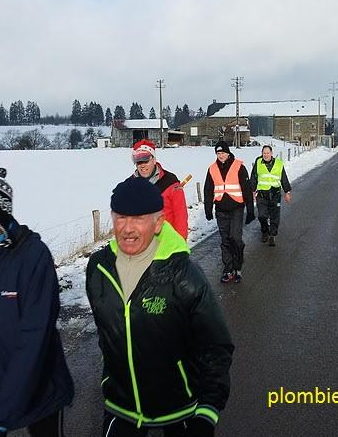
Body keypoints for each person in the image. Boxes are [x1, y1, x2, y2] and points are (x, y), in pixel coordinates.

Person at [86, 177, 233, 436]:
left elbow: (216, 345)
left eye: (139, 218)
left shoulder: (184, 275)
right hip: (121, 407)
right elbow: (106, 334)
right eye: (121, 217)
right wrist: (110, 377)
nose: (127, 229)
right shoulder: (98, 268)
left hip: (180, 408)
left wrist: (207, 411)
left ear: (158, 223)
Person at [0, 168, 74, 436]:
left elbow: (35, 335)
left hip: (38, 380)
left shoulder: (33, 257)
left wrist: (5, 404)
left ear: (0, 216)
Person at [203, 141, 255, 283]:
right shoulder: (212, 169)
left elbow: (246, 189)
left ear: (228, 153)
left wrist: (250, 209)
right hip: (220, 210)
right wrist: (208, 209)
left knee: (235, 239)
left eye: (223, 153)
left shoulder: (239, 167)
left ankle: (237, 267)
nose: (221, 156)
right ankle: (228, 269)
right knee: (225, 240)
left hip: (237, 208)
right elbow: (208, 190)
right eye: (218, 153)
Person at [131, 139, 189, 240]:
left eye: (145, 160)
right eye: (138, 162)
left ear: (154, 160)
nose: (142, 165)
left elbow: (181, 217)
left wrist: (180, 245)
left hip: (166, 244)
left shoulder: (170, 182)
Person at [249, 145, 292, 246]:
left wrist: (287, 192)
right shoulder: (258, 162)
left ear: (271, 153)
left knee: (274, 216)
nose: (266, 155)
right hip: (262, 195)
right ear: (262, 153)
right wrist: (252, 190)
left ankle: (272, 235)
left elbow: (283, 178)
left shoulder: (279, 164)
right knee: (262, 216)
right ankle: (264, 231)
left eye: (268, 153)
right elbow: (254, 177)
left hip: (275, 194)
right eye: (264, 153)